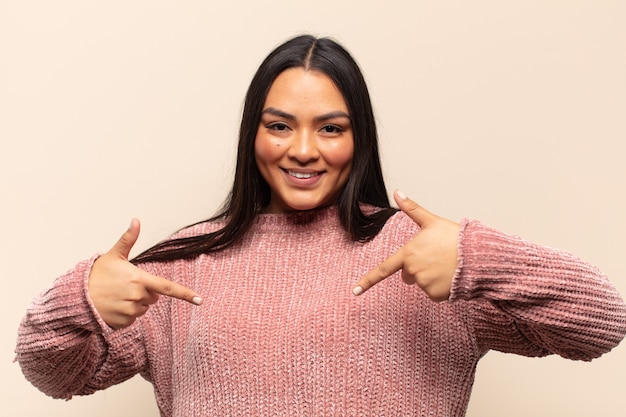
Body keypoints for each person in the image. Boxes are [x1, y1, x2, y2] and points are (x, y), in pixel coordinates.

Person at [15, 34, 626, 417]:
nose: (303, 149)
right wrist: (81, 298)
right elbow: (51, 374)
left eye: (330, 128)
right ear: (252, 133)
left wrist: (476, 257)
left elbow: (602, 322)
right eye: (279, 125)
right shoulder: (177, 266)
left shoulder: (427, 258)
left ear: (359, 137)